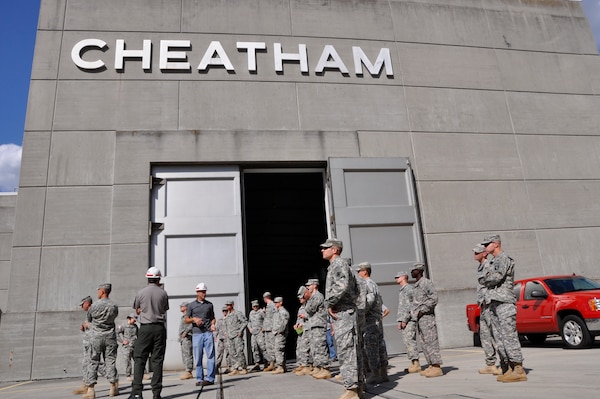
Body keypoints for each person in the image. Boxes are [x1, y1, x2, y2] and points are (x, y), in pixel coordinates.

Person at [479, 234, 526, 383]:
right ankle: (510, 367)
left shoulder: (503, 259)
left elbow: (495, 277)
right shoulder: (494, 261)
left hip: (504, 303)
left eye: (487, 244)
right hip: (495, 303)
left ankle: (518, 368)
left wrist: (483, 278)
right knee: (500, 338)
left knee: (509, 335)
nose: (485, 247)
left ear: (496, 244)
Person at [322, 238, 361, 399]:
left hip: (345, 313)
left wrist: (330, 303)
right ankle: (355, 389)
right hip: (343, 313)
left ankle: (352, 390)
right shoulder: (334, 266)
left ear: (335, 250)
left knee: (347, 352)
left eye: (326, 248)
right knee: (348, 351)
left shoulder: (339, 264)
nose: (322, 250)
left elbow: (341, 286)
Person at [130, 267, 169, 399]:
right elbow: (164, 309)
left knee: (139, 359)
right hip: (159, 328)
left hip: (145, 328)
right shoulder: (163, 293)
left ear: (148, 278)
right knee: (157, 360)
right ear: (158, 278)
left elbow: (137, 310)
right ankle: (156, 394)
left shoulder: (140, 293)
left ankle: (136, 393)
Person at [84, 283, 119, 399]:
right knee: (110, 361)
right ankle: (113, 386)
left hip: (96, 337)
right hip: (110, 337)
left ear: (103, 291)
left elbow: (89, 320)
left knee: (93, 361)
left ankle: (91, 390)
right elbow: (114, 317)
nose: (97, 292)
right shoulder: (114, 306)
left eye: (98, 290)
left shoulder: (94, 306)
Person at [356, 263, 388, 384]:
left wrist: (360, 310)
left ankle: (375, 373)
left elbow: (369, 301)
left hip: (370, 320)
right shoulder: (374, 283)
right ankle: (383, 373)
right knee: (380, 345)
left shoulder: (367, 284)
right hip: (376, 318)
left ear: (365, 272)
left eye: (359, 271)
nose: (358, 274)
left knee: (371, 347)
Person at [410, 263, 443, 378]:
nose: (411, 272)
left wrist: (422, 311)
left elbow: (434, 298)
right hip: (420, 319)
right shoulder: (416, 285)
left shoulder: (426, 283)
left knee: (431, 341)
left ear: (419, 271)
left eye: (413, 270)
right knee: (424, 342)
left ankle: (437, 367)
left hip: (426, 317)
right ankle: (431, 365)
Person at [474, 244, 501, 375]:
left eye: (477, 252)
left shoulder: (489, 265)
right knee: (485, 336)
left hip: (490, 305)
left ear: (484, 253)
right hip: (483, 307)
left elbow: (492, 285)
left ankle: (504, 363)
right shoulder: (480, 267)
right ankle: (490, 364)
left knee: (495, 334)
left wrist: (487, 299)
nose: (474, 255)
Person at [185, 282, 216, 387]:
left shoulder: (209, 305)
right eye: (202, 292)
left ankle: (210, 378)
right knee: (198, 357)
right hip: (197, 334)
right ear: (197, 292)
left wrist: (213, 324)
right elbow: (186, 319)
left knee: (210, 356)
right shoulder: (191, 305)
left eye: (205, 291)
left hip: (208, 333)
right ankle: (199, 378)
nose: (204, 293)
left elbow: (213, 318)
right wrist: (194, 319)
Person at [303, 278, 331, 380]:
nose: (307, 288)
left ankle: (325, 368)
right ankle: (319, 367)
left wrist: (307, 299)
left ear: (314, 285)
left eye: (309, 286)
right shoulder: (313, 297)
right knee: (315, 348)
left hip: (318, 325)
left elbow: (310, 309)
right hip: (314, 325)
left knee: (320, 347)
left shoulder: (318, 296)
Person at [395, 271, 420, 373]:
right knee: (407, 341)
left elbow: (409, 306)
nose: (396, 278)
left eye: (398, 277)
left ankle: (416, 364)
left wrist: (404, 319)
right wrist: (400, 320)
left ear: (404, 277)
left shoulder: (408, 289)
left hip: (409, 320)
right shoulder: (402, 290)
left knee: (410, 341)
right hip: (405, 320)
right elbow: (402, 307)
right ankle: (413, 363)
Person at [73, 296, 98, 395]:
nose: (81, 307)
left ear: (87, 303)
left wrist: (87, 326)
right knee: (85, 365)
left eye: (82, 304)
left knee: (96, 365)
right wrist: (84, 327)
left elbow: (97, 325)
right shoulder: (89, 313)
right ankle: (85, 386)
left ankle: (113, 381)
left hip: (92, 342)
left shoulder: (93, 311)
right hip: (87, 343)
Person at [224, 300, 248, 375]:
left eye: (229, 305)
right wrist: (227, 333)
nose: (227, 306)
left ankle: (244, 368)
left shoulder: (237, 313)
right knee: (232, 353)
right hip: (230, 336)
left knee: (239, 352)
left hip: (237, 336)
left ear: (232, 305)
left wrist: (240, 331)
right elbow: (227, 326)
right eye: (227, 305)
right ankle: (235, 368)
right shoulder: (227, 316)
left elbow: (245, 322)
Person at [293, 286, 312, 375]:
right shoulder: (301, 308)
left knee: (306, 348)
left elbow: (314, 316)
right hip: (301, 331)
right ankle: (301, 364)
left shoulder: (309, 305)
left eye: (301, 297)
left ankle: (307, 365)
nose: (300, 299)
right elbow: (298, 319)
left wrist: (305, 318)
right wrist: (296, 325)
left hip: (308, 329)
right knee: (300, 347)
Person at [270, 296, 290, 374]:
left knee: (278, 349)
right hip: (276, 333)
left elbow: (284, 323)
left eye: (276, 302)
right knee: (280, 349)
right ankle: (283, 366)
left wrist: (279, 331)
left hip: (280, 334)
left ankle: (280, 366)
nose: (275, 304)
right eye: (274, 302)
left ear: (280, 302)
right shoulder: (277, 311)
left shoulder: (283, 312)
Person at [117, 313, 139, 382]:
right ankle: (128, 375)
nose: (135, 321)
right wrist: (122, 341)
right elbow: (116, 333)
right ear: (129, 318)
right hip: (127, 347)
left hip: (135, 345)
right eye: (133, 319)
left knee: (138, 360)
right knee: (127, 361)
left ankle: (143, 373)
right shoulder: (123, 326)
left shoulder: (135, 326)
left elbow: (138, 335)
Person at [247, 299, 266, 371]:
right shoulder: (251, 313)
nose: (255, 307)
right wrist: (249, 328)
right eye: (254, 306)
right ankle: (257, 363)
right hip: (253, 333)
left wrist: (264, 328)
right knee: (254, 348)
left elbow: (266, 320)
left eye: (256, 306)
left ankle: (266, 363)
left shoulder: (261, 312)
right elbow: (249, 322)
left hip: (260, 332)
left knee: (262, 348)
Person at [178, 302, 194, 380]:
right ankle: (187, 370)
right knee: (184, 355)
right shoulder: (183, 317)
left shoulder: (189, 316)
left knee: (188, 355)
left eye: (182, 306)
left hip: (187, 338)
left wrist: (185, 332)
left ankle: (189, 371)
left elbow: (191, 325)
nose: (180, 307)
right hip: (183, 339)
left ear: (187, 307)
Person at [262, 291, 277, 372]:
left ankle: (275, 363)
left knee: (272, 346)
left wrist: (273, 326)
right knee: (268, 347)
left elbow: (275, 315)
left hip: (271, 329)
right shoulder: (268, 306)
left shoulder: (272, 305)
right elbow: (268, 318)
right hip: (267, 329)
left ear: (265, 298)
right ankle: (271, 363)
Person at [215, 306, 231, 372]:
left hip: (227, 339)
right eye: (223, 311)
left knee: (228, 353)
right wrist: (215, 336)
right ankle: (217, 367)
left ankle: (229, 367)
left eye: (226, 311)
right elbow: (217, 329)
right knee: (219, 353)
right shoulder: (220, 320)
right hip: (221, 339)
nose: (225, 312)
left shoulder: (229, 319)